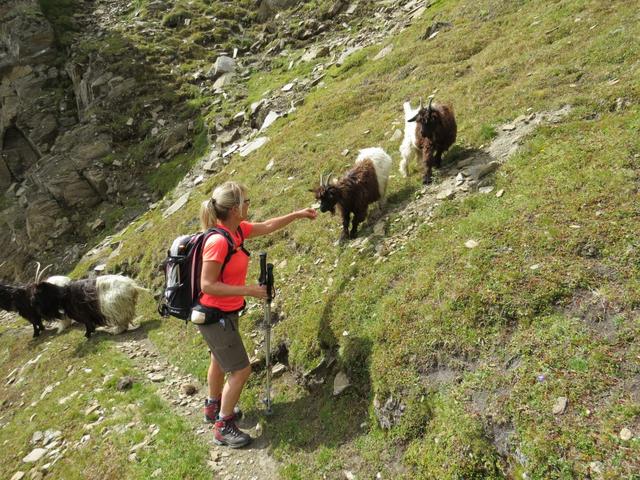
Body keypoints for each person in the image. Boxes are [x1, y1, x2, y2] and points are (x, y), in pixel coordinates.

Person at [196, 181, 316, 448]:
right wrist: (250, 290)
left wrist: (297, 214)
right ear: (235, 209)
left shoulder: (237, 231)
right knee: (241, 370)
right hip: (215, 316)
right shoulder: (218, 241)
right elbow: (207, 284)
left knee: (218, 359)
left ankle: (212, 407)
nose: (250, 205)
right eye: (246, 201)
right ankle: (223, 425)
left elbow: (268, 225)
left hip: (223, 313)